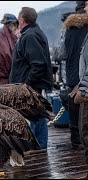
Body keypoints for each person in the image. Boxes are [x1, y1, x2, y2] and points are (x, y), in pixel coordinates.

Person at [9, 7, 53, 150]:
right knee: (35, 116)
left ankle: (38, 148)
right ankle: (36, 147)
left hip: (30, 87)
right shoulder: (32, 33)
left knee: (36, 116)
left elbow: (38, 64)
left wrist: (26, 86)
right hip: (30, 86)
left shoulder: (30, 36)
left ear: (22, 20)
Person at [61, 1, 88, 150]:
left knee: (74, 114)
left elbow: (62, 54)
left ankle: (76, 142)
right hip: (85, 75)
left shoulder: (68, 27)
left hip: (72, 76)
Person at [0, 13, 19, 85]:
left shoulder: (14, 35)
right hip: (7, 76)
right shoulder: (3, 34)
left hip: (11, 75)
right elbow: (6, 55)